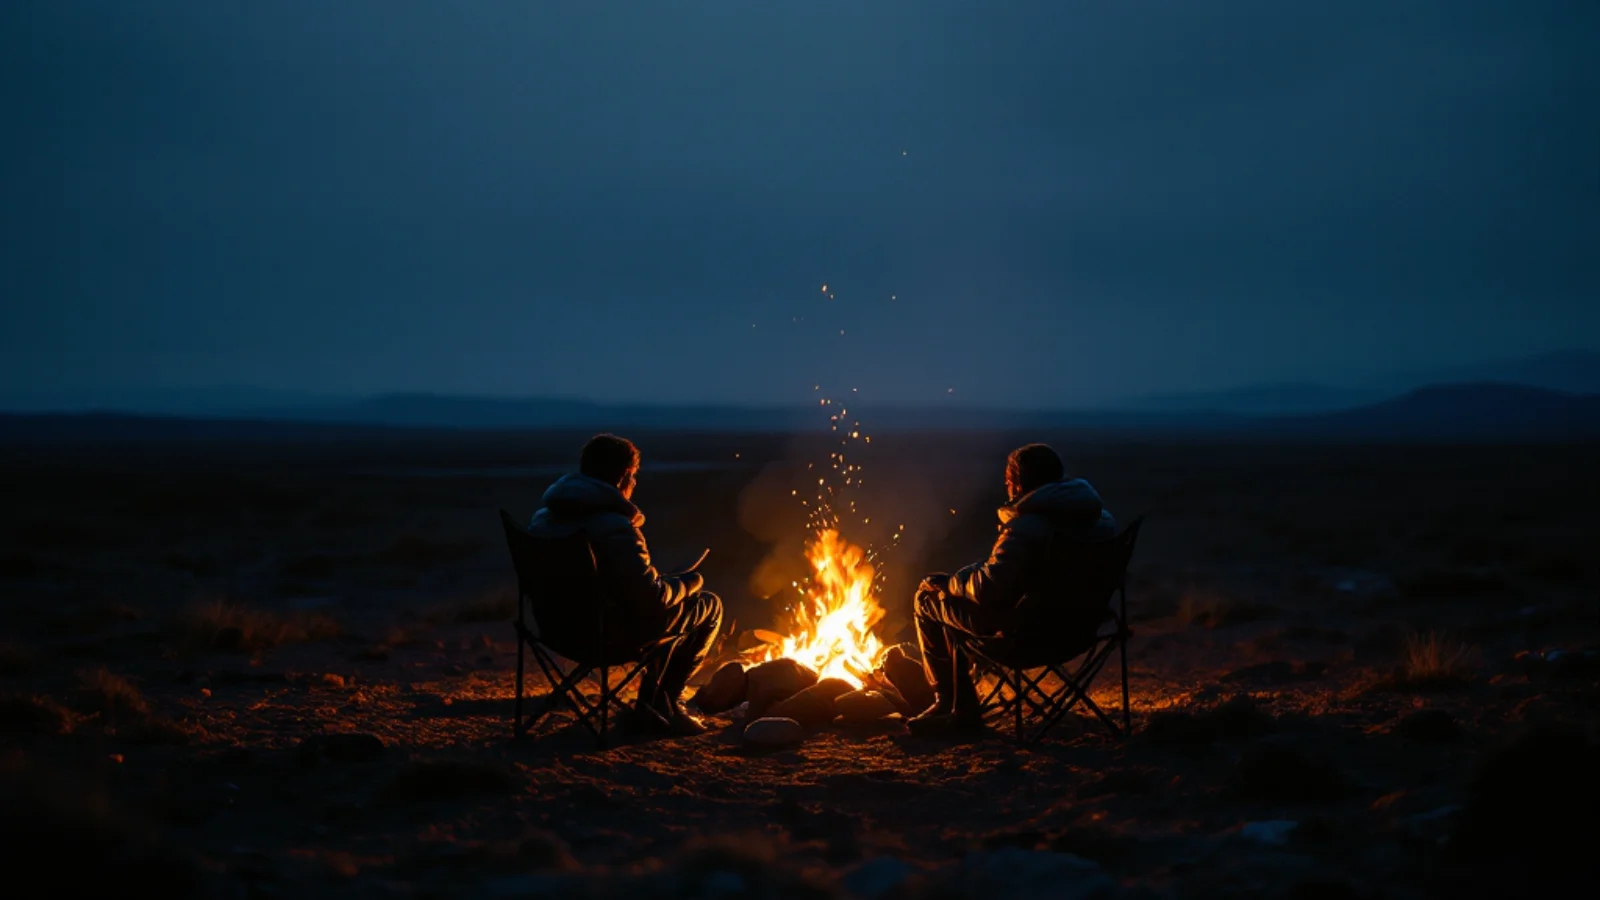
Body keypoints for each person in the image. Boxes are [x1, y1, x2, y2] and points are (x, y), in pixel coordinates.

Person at [909, 443, 1116, 735]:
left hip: (1028, 639)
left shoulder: (1028, 527)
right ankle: (957, 706)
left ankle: (954, 707)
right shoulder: (1103, 521)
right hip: (1081, 631)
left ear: (1020, 484)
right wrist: (966, 577)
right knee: (955, 599)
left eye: (1008, 480)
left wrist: (950, 584)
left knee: (929, 599)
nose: (1006, 487)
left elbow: (988, 591)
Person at [528, 433, 723, 736]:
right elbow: (651, 599)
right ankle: (662, 705)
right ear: (624, 476)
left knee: (662, 604)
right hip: (607, 636)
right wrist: (688, 582)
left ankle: (654, 704)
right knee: (707, 605)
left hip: (556, 630)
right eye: (634, 476)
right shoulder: (615, 526)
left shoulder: (542, 520)